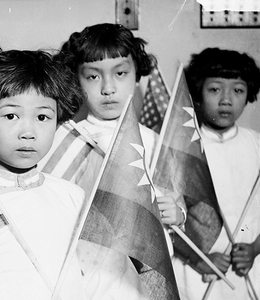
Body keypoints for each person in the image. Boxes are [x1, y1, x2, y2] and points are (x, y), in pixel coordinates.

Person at [45, 23, 186, 299]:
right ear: (76, 80)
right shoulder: (69, 140)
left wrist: (177, 213)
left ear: (136, 76)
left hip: (147, 271)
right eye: (93, 77)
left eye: (120, 73)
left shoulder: (155, 141)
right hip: (90, 270)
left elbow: (177, 201)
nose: (108, 88)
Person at [0, 45, 87, 300]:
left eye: (43, 117)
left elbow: (92, 279)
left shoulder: (72, 197)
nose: (28, 132)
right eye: (11, 115)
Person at [173, 47, 260, 300]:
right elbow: (162, 218)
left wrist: (254, 249)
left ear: (249, 94)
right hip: (196, 272)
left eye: (238, 90)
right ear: (198, 94)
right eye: (214, 89)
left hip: (249, 270)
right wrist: (196, 258)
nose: (226, 100)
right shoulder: (182, 145)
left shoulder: (256, 144)